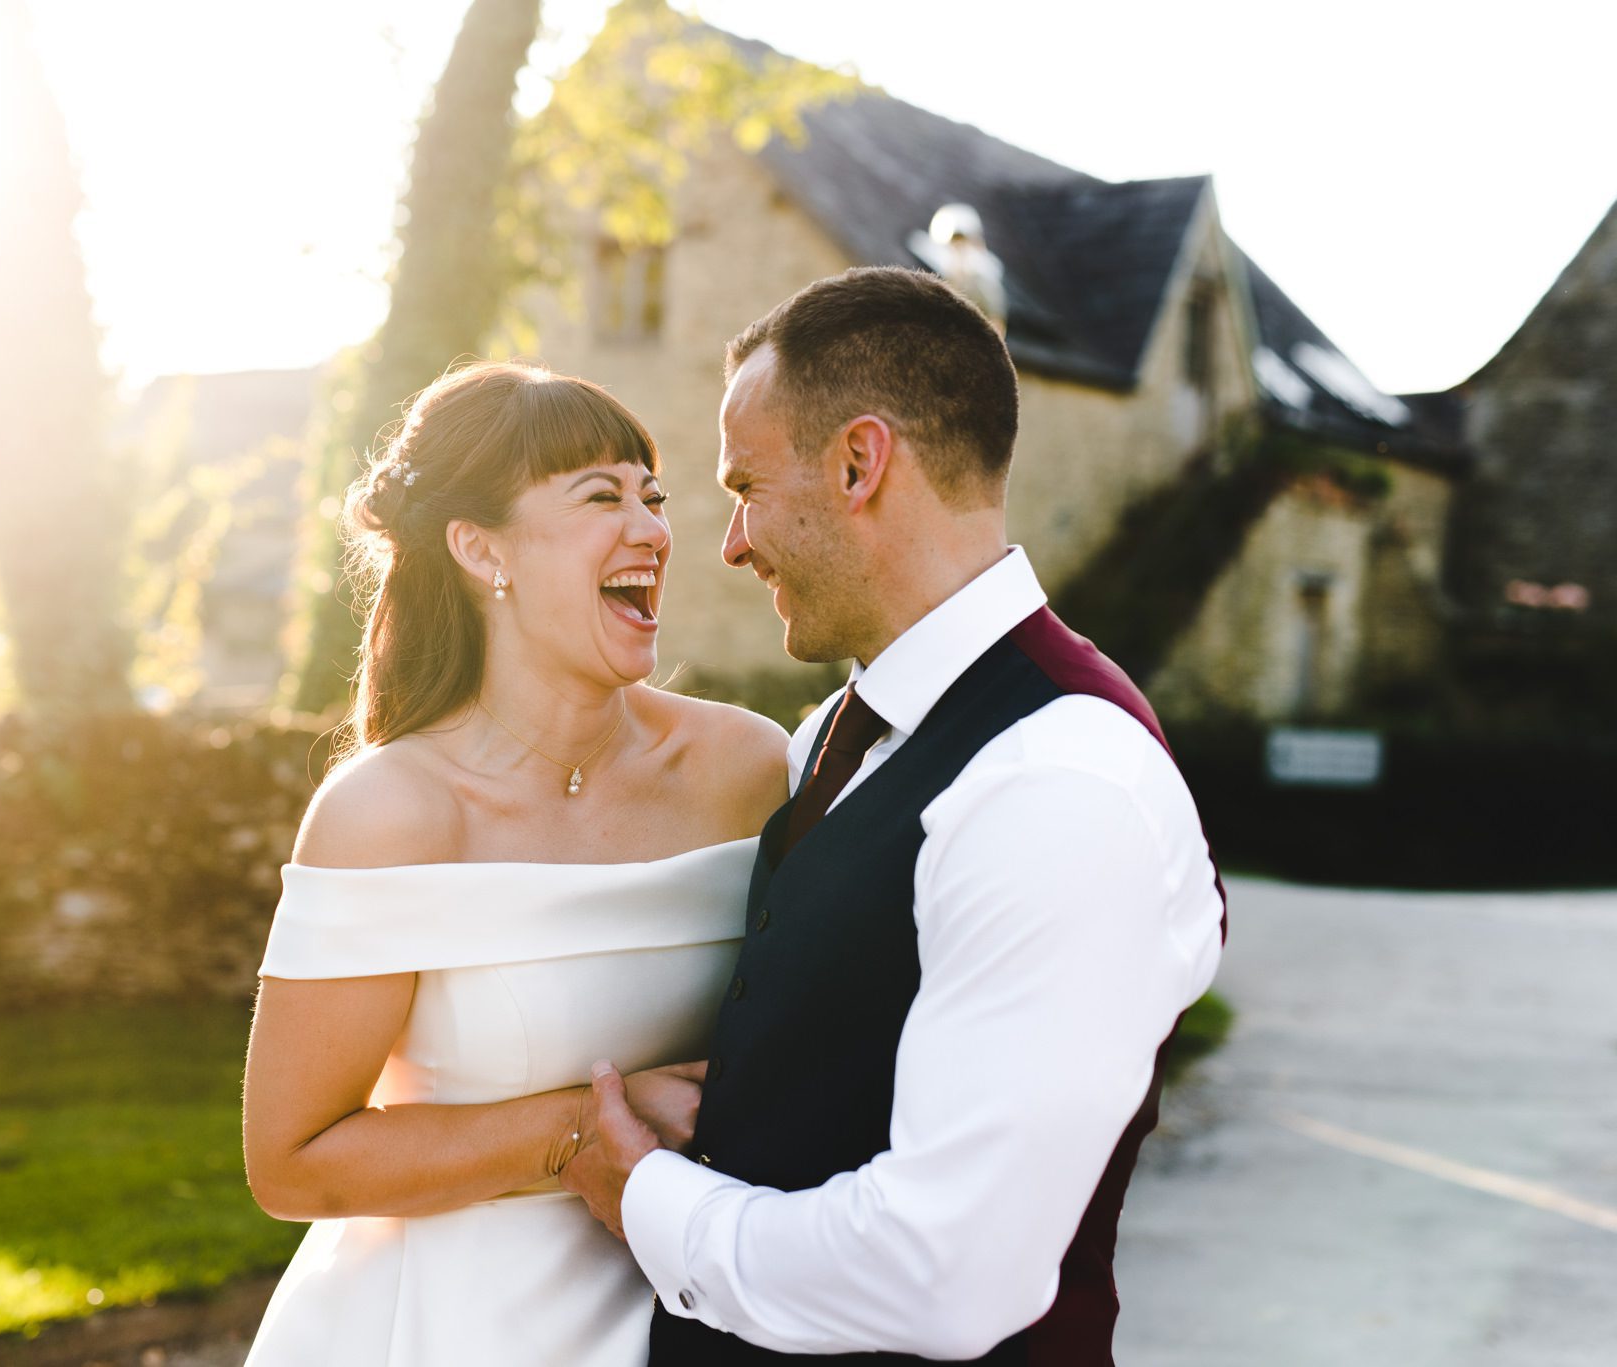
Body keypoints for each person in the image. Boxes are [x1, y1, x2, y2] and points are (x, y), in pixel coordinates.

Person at [559, 266, 1229, 1364]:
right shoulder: (841, 724)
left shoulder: (1058, 781)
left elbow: (943, 1274)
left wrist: (642, 1196)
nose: (729, 542)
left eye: (745, 486)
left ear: (858, 463)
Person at [238, 361, 789, 1365]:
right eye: (599, 496)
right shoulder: (387, 816)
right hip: (444, 1328)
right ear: (478, 548)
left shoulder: (749, 768)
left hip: (714, 1312)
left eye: (650, 496)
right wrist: (582, 1131)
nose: (652, 529)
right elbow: (290, 1161)